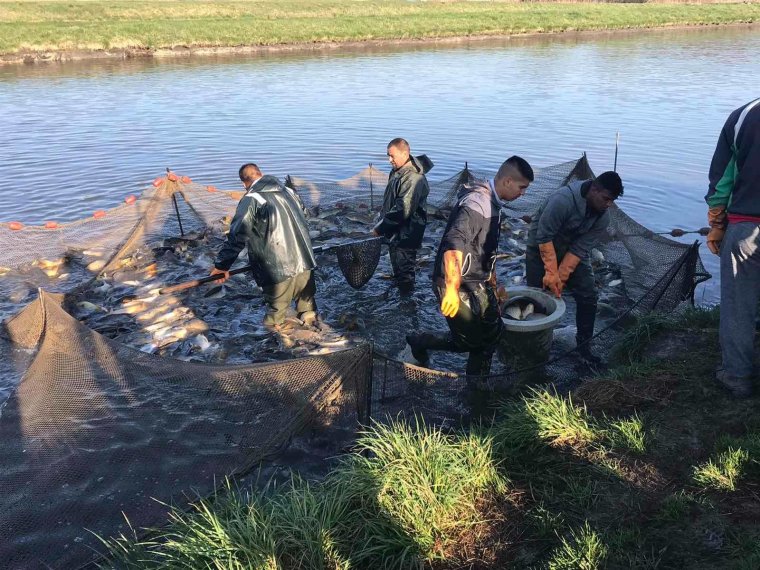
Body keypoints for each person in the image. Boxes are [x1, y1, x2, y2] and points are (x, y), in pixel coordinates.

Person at [406, 156, 534, 378]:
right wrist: (452, 288)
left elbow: (486, 248)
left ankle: (479, 383)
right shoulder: (476, 203)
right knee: (469, 342)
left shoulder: (494, 203)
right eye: (522, 188)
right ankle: (419, 341)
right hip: (454, 281)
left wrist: (493, 284)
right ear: (507, 182)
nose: (523, 193)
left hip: (477, 279)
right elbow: (453, 242)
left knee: (493, 333)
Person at [525, 171, 624, 363]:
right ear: (594, 189)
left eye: (611, 201)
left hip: (571, 249)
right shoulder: (562, 200)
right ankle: (535, 347)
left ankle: (583, 346)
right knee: (539, 297)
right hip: (541, 247)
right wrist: (551, 274)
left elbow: (579, 250)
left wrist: (560, 278)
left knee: (589, 295)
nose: (608, 204)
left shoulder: (603, 217)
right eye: (606, 199)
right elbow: (544, 238)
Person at [210, 163, 318, 331]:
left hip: (278, 268)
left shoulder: (252, 198)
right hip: (305, 260)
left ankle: (278, 344)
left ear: (243, 183)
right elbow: (305, 215)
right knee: (307, 306)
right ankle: (314, 334)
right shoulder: (288, 191)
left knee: (275, 318)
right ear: (261, 174)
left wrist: (221, 265)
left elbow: (237, 235)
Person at [705, 97, 760, 398]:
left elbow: (722, 177)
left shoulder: (744, 115)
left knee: (738, 307)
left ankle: (737, 376)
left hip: (745, 228)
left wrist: (717, 223)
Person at [372, 138, 433, 295]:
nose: (389, 160)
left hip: (408, 233)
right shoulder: (398, 171)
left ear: (405, 153)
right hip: (396, 231)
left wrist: (380, 228)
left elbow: (402, 210)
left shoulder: (413, 178)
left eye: (392, 156)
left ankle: (407, 301)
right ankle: (400, 289)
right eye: (388, 155)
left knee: (405, 270)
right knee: (398, 267)